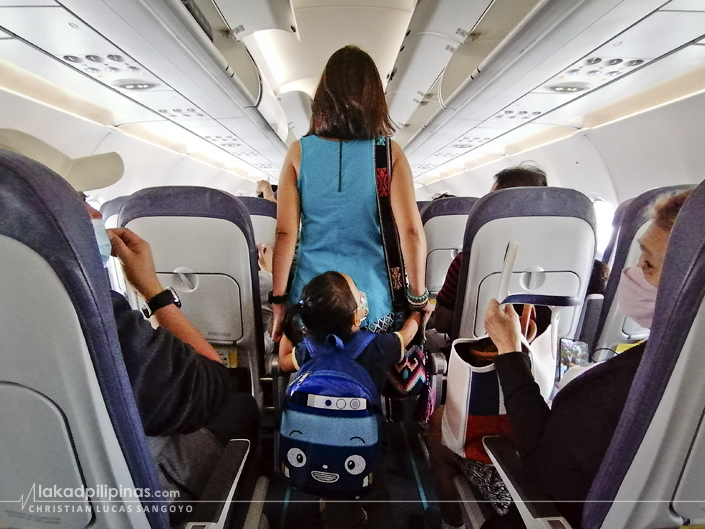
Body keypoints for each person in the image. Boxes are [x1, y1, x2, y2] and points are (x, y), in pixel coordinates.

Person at [481, 188, 692, 528]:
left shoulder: (637, 382)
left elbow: (539, 461)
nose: (633, 272)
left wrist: (509, 349)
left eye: (649, 264)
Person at [86, 201, 260, 519]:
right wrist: (151, 289)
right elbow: (211, 383)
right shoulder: (91, 313)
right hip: (134, 496)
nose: (95, 212)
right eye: (80, 199)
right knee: (241, 406)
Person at [271, 45, 430, 343]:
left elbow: (284, 233)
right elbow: (410, 231)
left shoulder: (298, 152)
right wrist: (418, 301)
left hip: (311, 300)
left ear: (322, 97)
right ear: (375, 98)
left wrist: (279, 302)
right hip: (371, 302)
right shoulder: (388, 153)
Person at [278, 270, 425, 529]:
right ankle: (360, 510)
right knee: (369, 475)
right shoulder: (377, 346)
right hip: (365, 435)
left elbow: (282, 360)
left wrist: (290, 329)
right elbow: (407, 335)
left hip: (317, 438)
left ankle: (330, 502)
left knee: (330, 469)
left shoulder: (307, 350)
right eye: (359, 295)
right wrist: (418, 313)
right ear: (356, 319)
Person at [434, 166, 548, 335]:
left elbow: (442, 324)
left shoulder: (468, 260)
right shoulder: (569, 259)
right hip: (541, 352)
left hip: (475, 353)